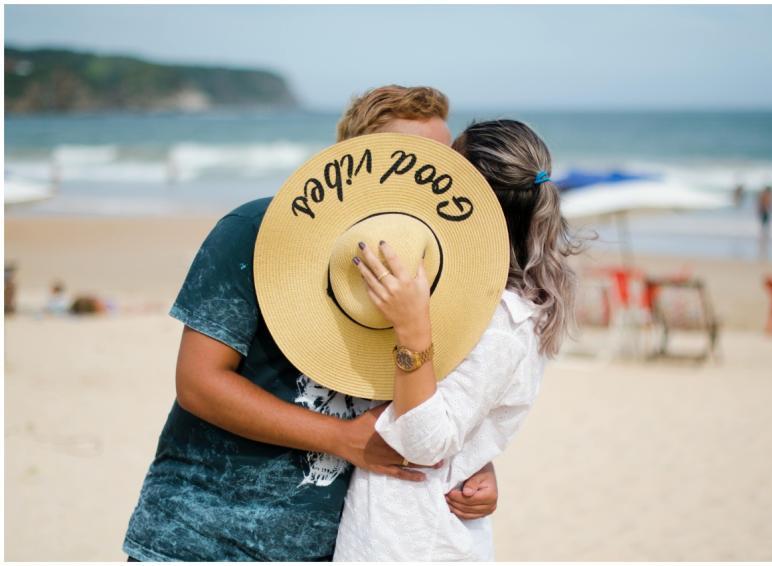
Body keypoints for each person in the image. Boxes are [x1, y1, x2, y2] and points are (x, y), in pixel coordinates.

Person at [122, 86, 499, 562]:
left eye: (439, 163)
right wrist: (341, 439)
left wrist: (478, 468)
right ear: (351, 160)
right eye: (405, 159)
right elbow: (197, 383)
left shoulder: (439, 267)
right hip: (197, 535)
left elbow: (433, 396)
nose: (426, 177)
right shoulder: (257, 231)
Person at [333, 120, 582, 560]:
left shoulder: (504, 321)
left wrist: (411, 329)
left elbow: (424, 443)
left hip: (411, 543)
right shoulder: (474, 301)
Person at [757, 185, 772, 259]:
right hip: (765, 212)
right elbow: (766, 204)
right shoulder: (766, 195)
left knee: (764, 226)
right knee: (764, 226)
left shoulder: (763, 195)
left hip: (764, 212)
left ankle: (763, 237)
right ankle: (763, 238)